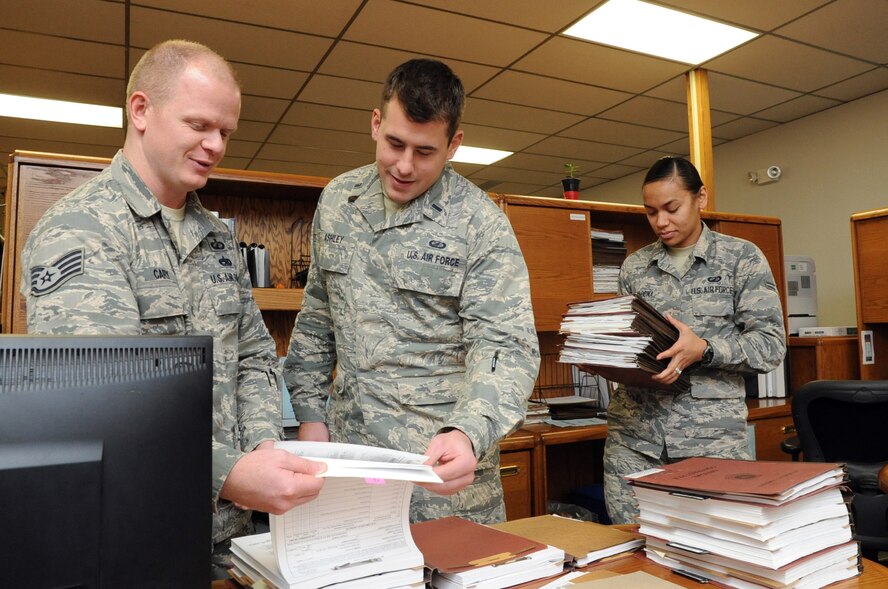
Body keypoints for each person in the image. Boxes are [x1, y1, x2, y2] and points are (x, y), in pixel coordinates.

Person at [20, 39, 325, 570]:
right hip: (131, 534)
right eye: (199, 125)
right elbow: (99, 403)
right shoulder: (81, 230)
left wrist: (260, 446)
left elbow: (253, 355)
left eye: (225, 132)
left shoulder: (217, 238)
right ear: (141, 110)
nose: (216, 145)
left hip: (231, 538)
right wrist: (228, 472)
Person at [283, 58, 540, 524]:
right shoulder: (339, 200)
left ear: (454, 145)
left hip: (439, 472)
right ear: (375, 123)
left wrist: (468, 431)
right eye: (395, 144)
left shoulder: (480, 223)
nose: (404, 166)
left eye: (424, 152)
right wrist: (310, 415)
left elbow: (507, 345)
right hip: (350, 461)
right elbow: (318, 318)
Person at [603, 156, 786, 524]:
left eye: (672, 208)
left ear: (700, 197)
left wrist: (704, 349)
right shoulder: (635, 267)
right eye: (651, 212)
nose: (661, 222)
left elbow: (770, 346)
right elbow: (627, 343)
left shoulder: (741, 258)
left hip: (712, 444)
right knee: (634, 550)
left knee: (717, 555)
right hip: (635, 442)